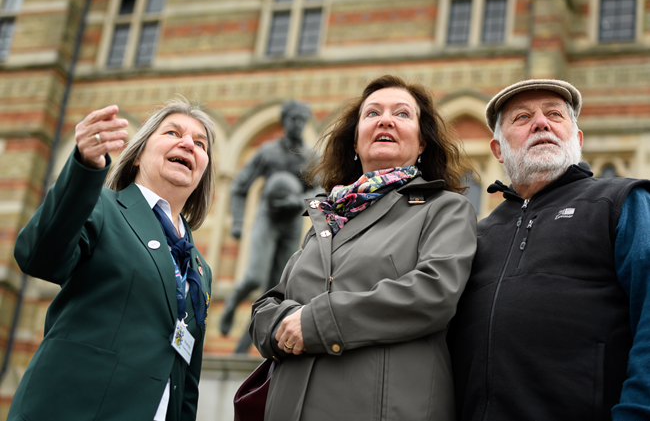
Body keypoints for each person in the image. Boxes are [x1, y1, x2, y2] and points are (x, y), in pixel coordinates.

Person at [249, 75, 477, 420]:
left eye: (402, 114)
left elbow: (434, 292)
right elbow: (271, 302)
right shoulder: (328, 216)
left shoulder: (444, 208)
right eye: (372, 114)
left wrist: (315, 322)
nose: (385, 120)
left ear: (422, 144)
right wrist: (278, 326)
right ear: (354, 142)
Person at [447, 79, 650, 420]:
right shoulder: (477, 235)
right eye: (522, 118)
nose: (541, 123)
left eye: (555, 114)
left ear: (578, 138)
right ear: (497, 149)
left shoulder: (620, 202)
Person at [8, 99, 216, 421]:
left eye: (200, 143)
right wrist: (85, 168)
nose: (188, 143)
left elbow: (187, 378)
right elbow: (38, 257)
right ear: (136, 157)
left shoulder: (199, 268)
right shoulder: (103, 207)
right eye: (172, 132)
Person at [220, 100, 311, 353]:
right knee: (254, 277)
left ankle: (242, 347)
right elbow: (239, 186)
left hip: (291, 223)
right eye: (293, 119)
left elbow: (321, 190)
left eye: (302, 120)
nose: (298, 124)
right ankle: (231, 304)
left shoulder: (310, 157)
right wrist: (237, 222)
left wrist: (300, 201)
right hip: (267, 218)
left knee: (276, 294)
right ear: (284, 120)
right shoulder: (268, 151)